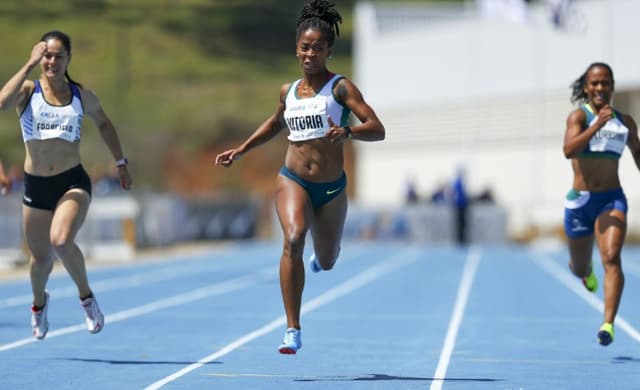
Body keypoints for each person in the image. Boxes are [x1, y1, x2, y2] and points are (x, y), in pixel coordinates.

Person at [215, 0, 385, 354]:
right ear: (296, 49)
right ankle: (292, 328)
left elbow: (377, 128)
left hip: (332, 188)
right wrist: (242, 149)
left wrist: (350, 133)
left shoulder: (341, 88)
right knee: (293, 238)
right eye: (305, 47)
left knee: (327, 259)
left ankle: (320, 261)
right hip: (293, 180)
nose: (311, 54)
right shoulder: (287, 91)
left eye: (318, 48)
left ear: (329, 51)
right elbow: (276, 123)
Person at [0, 30, 132, 340]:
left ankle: (86, 298)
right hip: (36, 186)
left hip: (72, 181)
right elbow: (2, 102)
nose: (52, 61)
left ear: (68, 59)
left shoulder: (81, 96)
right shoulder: (28, 91)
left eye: (59, 56)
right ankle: (38, 304)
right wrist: (28, 63)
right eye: (47, 55)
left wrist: (121, 162)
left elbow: (104, 123)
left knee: (60, 241)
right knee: (40, 260)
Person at [563, 62, 640, 346]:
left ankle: (608, 323)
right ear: (586, 88)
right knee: (580, 267)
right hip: (581, 202)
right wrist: (597, 125)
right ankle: (585, 272)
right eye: (594, 83)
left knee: (611, 257)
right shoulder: (578, 118)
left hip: (611, 198)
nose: (599, 88)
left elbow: (638, 154)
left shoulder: (626, 123)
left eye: (604, 83)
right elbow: (569, 149)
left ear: (612, 86)